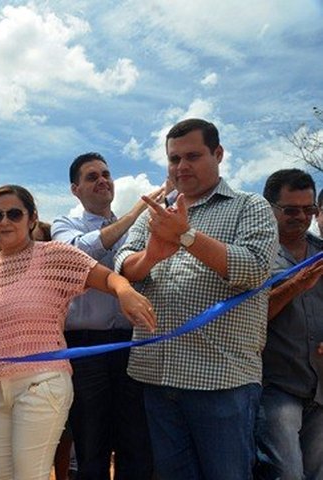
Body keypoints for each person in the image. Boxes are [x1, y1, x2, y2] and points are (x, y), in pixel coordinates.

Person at [0, 184, 157, 480]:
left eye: (14, 214)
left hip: (41, 384)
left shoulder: (54, 256)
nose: (4, 222)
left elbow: (109, 277)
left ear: (32, 218)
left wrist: (125, 291)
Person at [116, 118, 278, 479]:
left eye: (192, 156)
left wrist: (186, 235)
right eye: (174, 159)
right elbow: (124, 264)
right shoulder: (155, 213)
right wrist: (153, 254)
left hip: (221, 379)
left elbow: (253, 268)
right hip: (156, 375)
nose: (181, 166)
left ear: (218, 154)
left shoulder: (249, 206)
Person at [51, 152, 158, 480]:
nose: (102, 181)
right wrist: (135, 213)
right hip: (86, 350)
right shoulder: (64, 225)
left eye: (106, 174)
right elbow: (79, 254)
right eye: (92, 177)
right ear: (75, 189)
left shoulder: (139, 228)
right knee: (90, 444)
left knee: (136, 444)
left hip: (132, 344)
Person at [255, 168, 323, 479]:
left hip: (319, 386)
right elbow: (250, 318)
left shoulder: (320, 252)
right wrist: (295, 286)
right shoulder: (255, 256)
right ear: (269, 208)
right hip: (277, 386)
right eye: (291, 210)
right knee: (287, 473)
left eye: (309, 210)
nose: (302, 217)